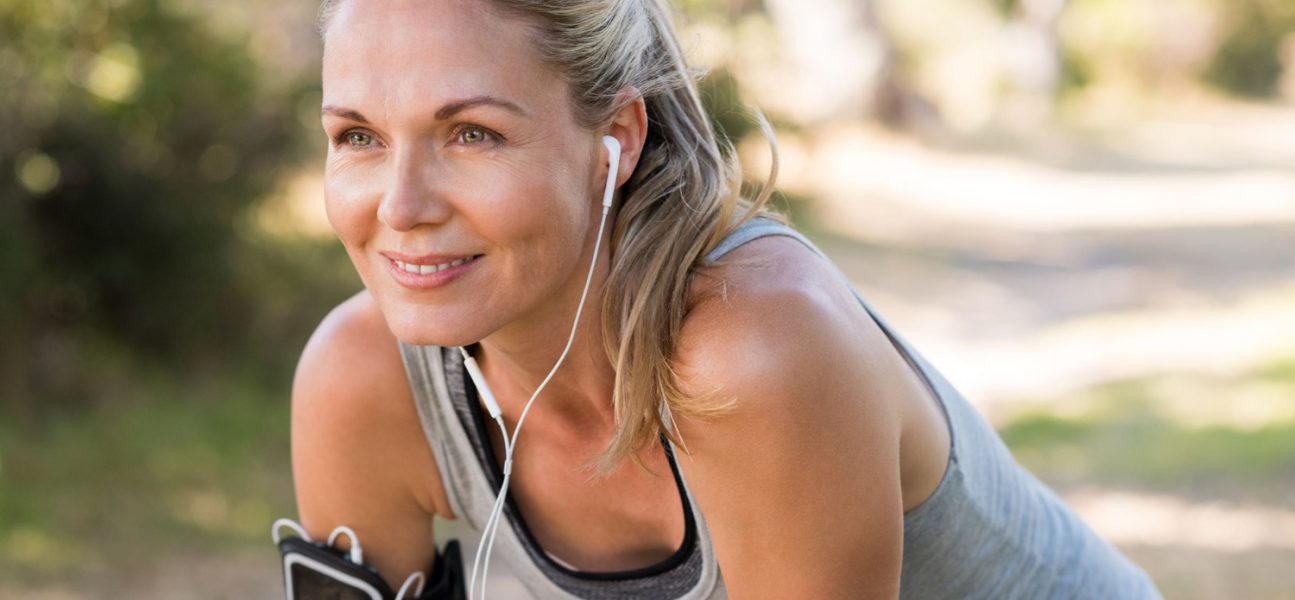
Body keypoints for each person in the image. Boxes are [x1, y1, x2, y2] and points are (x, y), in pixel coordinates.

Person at [289, 0, 1164, 598]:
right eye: (357, 136)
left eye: (472, 133)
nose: (400, 207)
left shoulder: (751, 351)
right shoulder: (362, 380)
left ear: (616, 140)